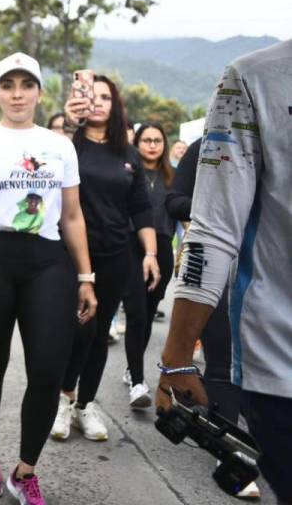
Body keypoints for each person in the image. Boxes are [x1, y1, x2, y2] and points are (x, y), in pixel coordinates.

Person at [0, 52, 96, 503]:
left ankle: (25, 470)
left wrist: (86, 275)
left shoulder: (60, 146)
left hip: (47, 261)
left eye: (25, 85)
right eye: (8, 85)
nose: (16, 93)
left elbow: (71, 216)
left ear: (37, 91)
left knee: (48, 368)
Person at [157, 40, 292, 504]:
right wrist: (176, 353)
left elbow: (212, 231)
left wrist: (175, 359)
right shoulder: (253, 80)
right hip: (280, 366)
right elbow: (211, 230)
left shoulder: (252, 77)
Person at [51, 74, 159, 440]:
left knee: (98, 333)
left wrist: (150, 253)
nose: (97, 102)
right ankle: (63, 400)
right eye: (89, 95)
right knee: (75, 329)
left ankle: (86, 405)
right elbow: (47, 168)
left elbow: (140, 207)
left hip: (115, 255)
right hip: (69, 254)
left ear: (115, 105)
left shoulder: (127, 153)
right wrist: (68, 122)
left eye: (105, 97)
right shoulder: (69, 143)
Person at [163, 137, 260, 499]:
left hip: (273, 272)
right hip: (218, 264)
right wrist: (224, 209)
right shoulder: (207, 147)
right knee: (223, 359)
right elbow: (174, 200)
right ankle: (230, 452)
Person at [121, 123, 176, 405]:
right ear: (137, 142)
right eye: (146, 140)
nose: (152, 145)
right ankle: (139, 382)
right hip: (131, 244)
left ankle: (133, 368)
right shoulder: (127, 171)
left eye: (157, 141)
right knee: (137, 313)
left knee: (150, 310)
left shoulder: (174, 177)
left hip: (163, 246)